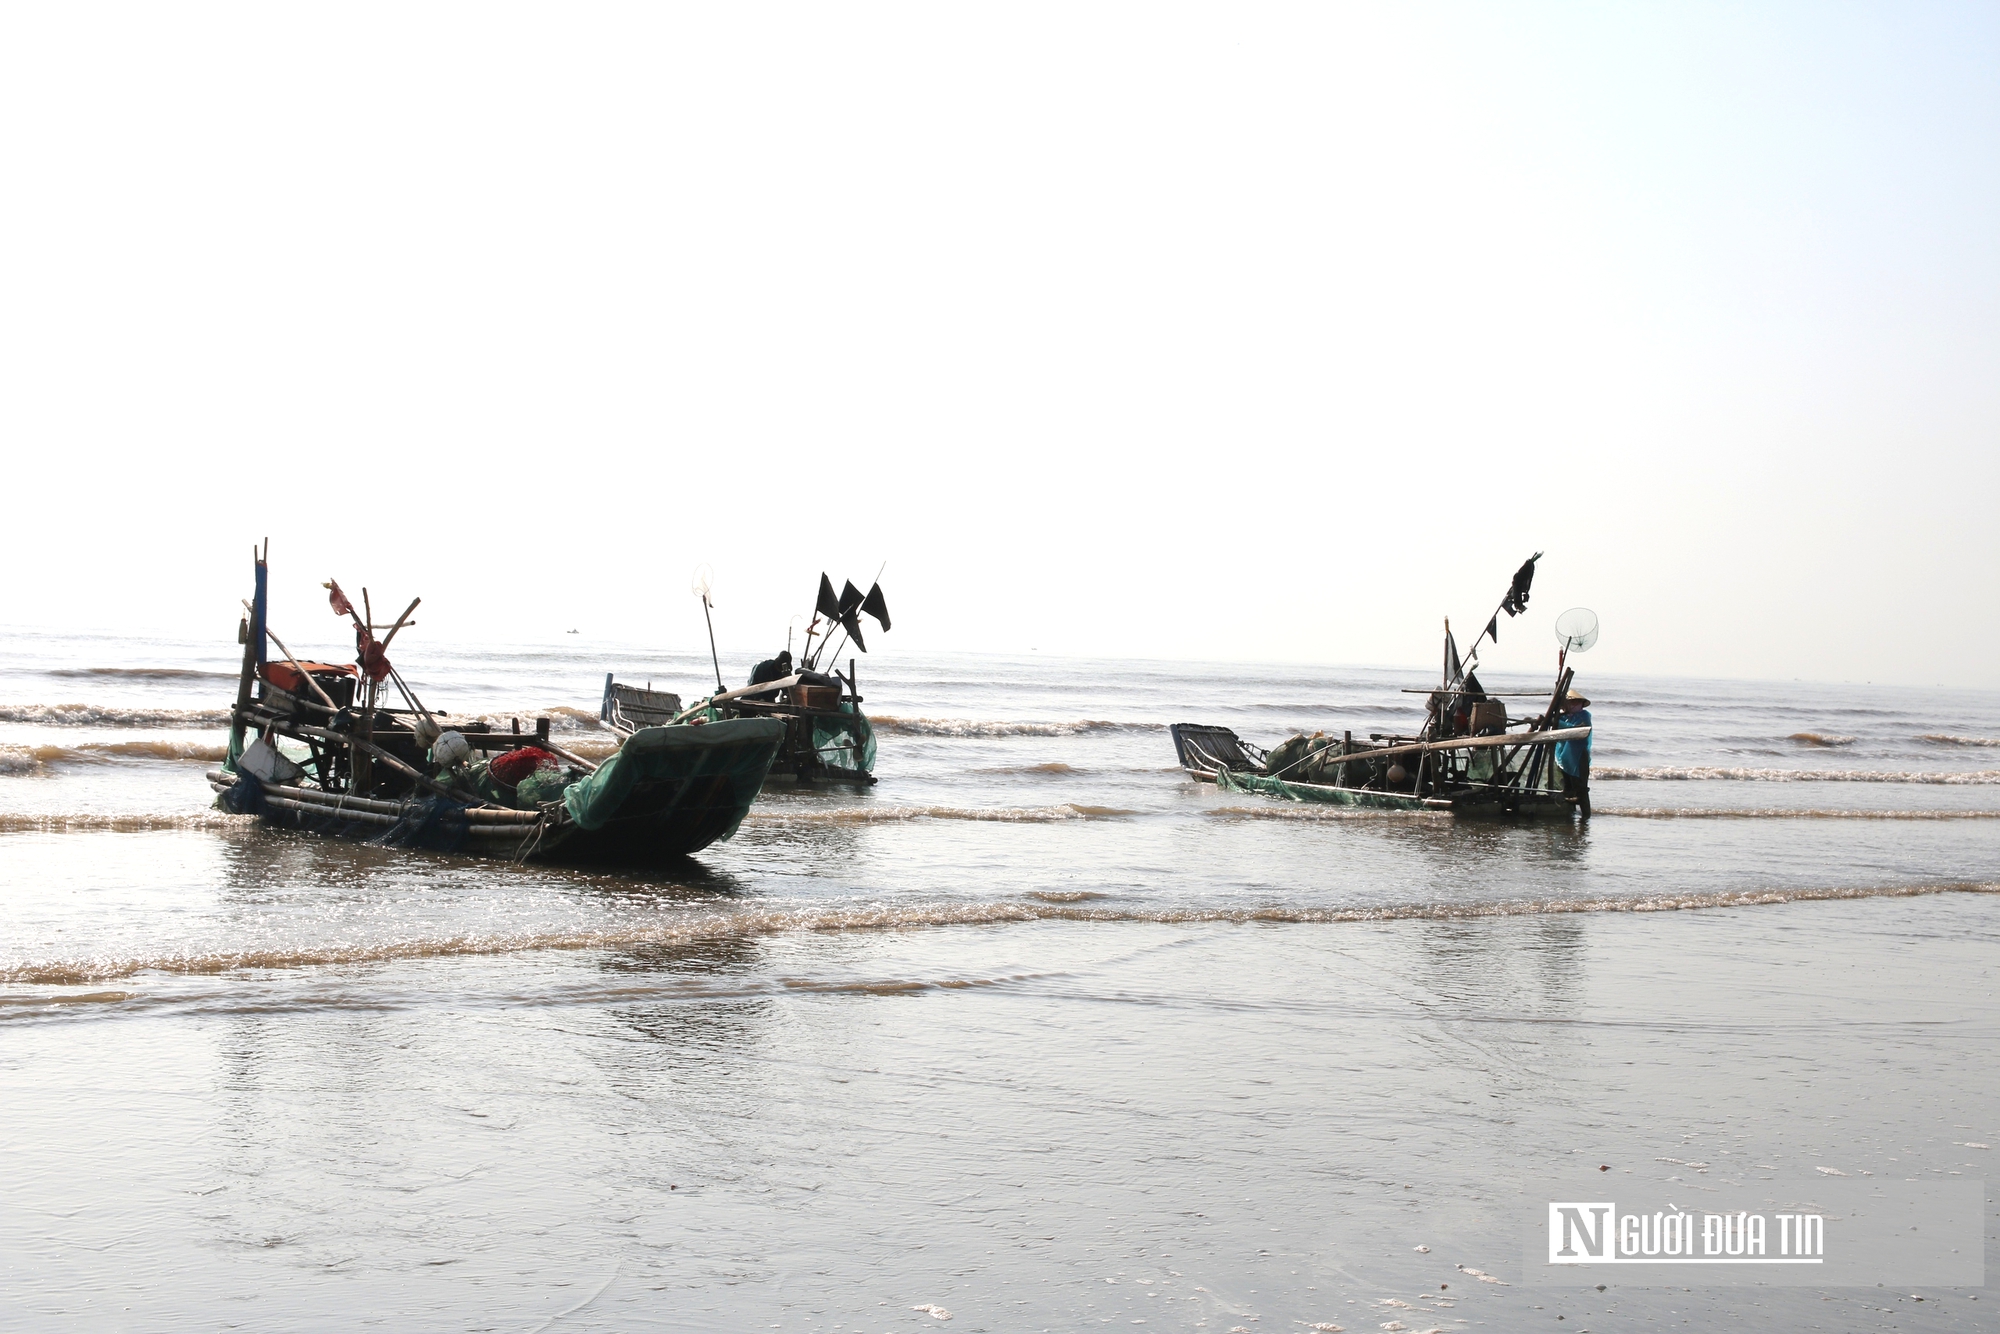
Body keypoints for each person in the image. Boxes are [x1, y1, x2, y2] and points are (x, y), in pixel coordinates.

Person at [1555, 689, 1592, 817]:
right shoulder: (1561, 717)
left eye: (1577, 702)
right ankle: (1569, 814)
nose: (1574, 705)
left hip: (1579, 755)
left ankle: (1585, 816)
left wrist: (1560, 723)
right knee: (1567, 786)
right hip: (1564, 755)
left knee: (1581, 787)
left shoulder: (1584, 716)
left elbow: (1577, 730)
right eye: (1571, 702)